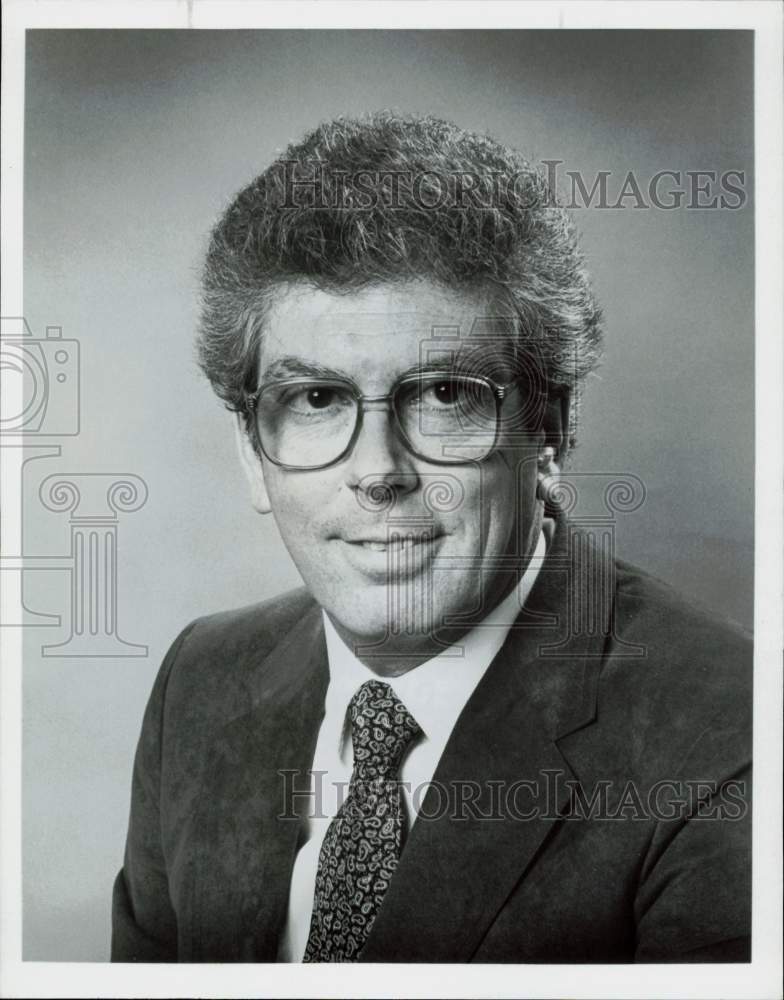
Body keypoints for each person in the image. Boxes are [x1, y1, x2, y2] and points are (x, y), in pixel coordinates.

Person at [111, 112, 752, 963]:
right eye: (316, 400)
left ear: (549, 432)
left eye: (445, 396)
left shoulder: (730, 735)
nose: (378, 470)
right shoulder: (201, 682)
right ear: (251, 454)